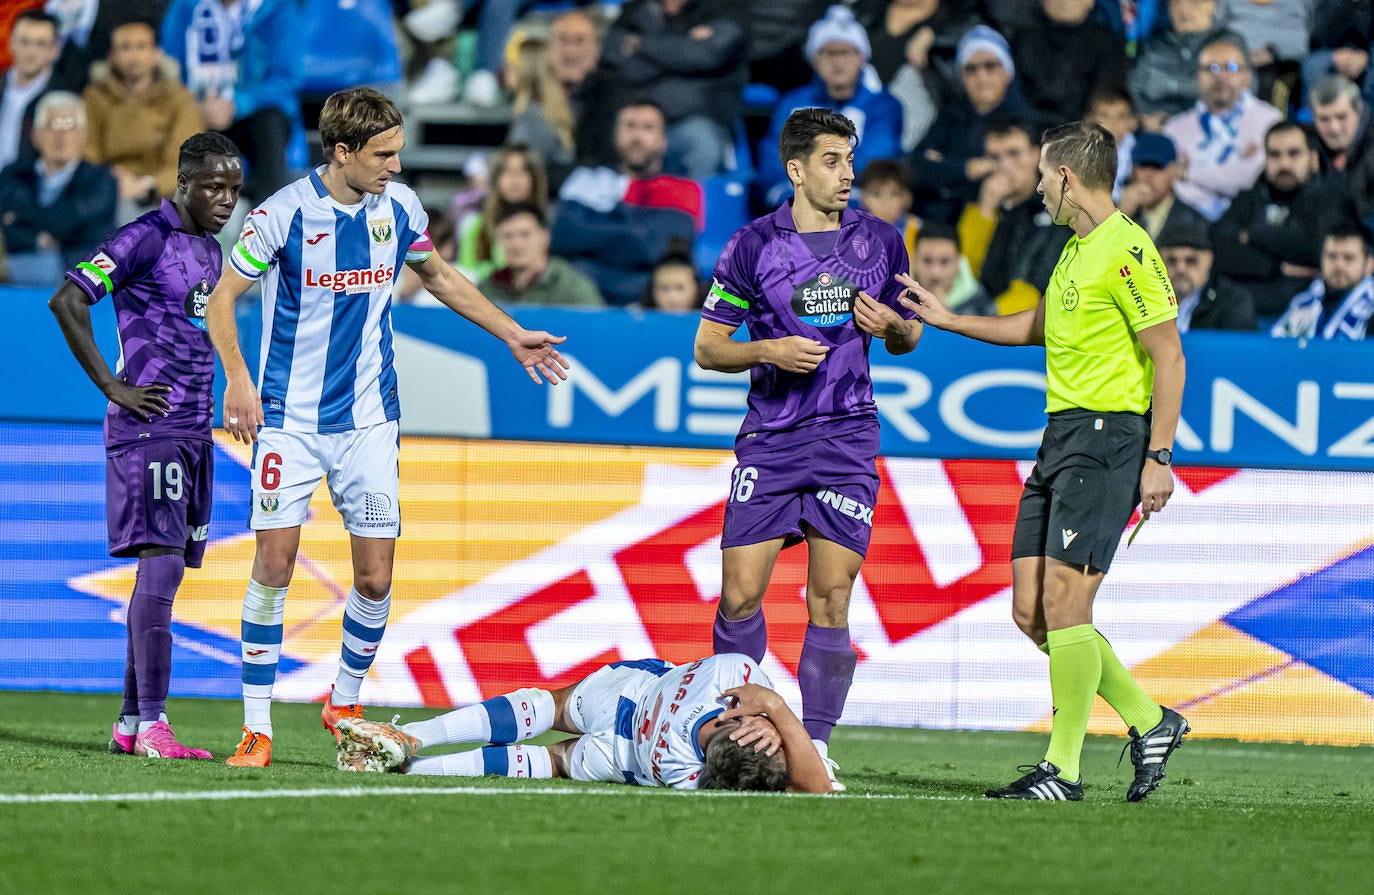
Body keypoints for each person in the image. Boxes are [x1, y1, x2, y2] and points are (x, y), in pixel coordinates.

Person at [204, 87, 570, 768]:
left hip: (370, 421)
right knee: (274, 563)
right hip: (288, 420)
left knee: (374, 578)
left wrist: (511, 333)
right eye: (384, 154)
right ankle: (256, 727)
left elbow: (440, 277)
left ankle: (343, 700)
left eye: (399, 152)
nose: (397, 167)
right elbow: (222, 301)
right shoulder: (282, 215)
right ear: (341, 151)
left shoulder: (398, 209)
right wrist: (238, 378)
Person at [900, 120, 1190, 802]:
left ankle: (1063, 768)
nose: (1034, 186)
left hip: (1110, 436)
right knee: (1033, 611)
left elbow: (1169, 355)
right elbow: (1037, 326)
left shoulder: (1127, 251)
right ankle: (1151, 720)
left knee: (1066, 601)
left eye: (1040, 174)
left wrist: (1160, 456)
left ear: (1066, 176)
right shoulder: (1074, 251)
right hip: (1061, 439)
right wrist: (951, 320)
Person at [695, 107, 923, 791]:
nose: (848, 173)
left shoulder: (882, 242)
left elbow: (913, 334)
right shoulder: (751, 245)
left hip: (847, 437)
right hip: (770, 441)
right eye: (832, 160)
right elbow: (709, 348)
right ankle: (737, 729)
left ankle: (814, 745)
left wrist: (892, 328)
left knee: (831, 595)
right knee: (740, 595)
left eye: (850, 160)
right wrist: (767, 350)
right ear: (795, 170)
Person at [46, 131, 243, 760]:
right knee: (158, 567)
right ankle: (157, 724)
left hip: (192, 429)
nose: (225, 199)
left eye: (234, 189)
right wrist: (113, 384)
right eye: (214, 185)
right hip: (150, 427)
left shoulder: (212, 251)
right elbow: (67, 298)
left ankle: (131, 725)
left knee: (163, 574)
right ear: (182, 182)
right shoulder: (144, 237)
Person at [332, 653, 833, 793]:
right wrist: (778, 719)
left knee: (545, 708)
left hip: (627, 691)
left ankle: (413, 736)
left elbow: (795, 764)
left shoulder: (736, 672)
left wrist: (774, 707)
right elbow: (813, 787)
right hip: (620, 758)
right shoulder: (691, 777)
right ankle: (411, 771)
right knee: (550, 761)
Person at [757, 5, 904, 209]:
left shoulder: (881, 105)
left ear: (862, 58)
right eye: (829, 53)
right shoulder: (793, 103)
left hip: (857, 205)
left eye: (847, 53)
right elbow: (773, 154)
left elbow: (877, 157)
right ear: (815, 60)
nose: (838, 62)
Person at [1210, 121, 1360, 317]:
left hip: (1311, 314)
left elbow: (1318, 249)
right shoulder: (1248, 199)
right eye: (1275, 155)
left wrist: (1254, 233)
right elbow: (1217, 250)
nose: (1284, 164)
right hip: (1243, 312)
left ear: (1313, 159)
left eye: (1293, 154)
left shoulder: (1333, 199)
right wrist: (1277, 266)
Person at [160, 0, 301, 204]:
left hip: (254, 115)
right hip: (195, 111)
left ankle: (268, 219)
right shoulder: (185, 6)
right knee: (173, 126)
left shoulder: (276, 7)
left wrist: (236, 103)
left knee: (270, 123)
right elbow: (168, 71)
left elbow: (286, 78)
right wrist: (192, 108)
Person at [82, 19, 203, 223]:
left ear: (157, 54)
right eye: (125, 47)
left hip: (163, 195)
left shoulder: (179, 100)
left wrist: (147, 185)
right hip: (107, 193)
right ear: (112, 56)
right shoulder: (94, 98)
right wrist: (110, 182)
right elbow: (87, 153)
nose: (134, 56)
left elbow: (187, 163)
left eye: (141, 47)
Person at [0, 90, 116, 286]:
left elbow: (67, 220)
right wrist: (40, 239)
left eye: (69, 125)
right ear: (36, 134)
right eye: (52, 125)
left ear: (83, 135)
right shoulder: (13, 175)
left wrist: (21, 218)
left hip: (78, 271)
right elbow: (5, 229)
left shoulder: (101, 181)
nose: (60, 135)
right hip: (21, 264)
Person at [1162, 35, 1284, 221]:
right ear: (1197, 76)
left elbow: (1249, 180)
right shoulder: (1174, 129)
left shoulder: (1270, 121)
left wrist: (1189, 172)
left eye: (1231, 68)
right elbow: (1173, 185)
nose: (1219, 76)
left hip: (1251, 218)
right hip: (1190, 223)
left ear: (1247, 77)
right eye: (1211, 68)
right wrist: (1236, 167)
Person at [958, 119, 1071, 315]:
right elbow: (962, 277)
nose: (1005, 165)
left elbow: (1036, 287)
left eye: (1014, 153)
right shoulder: (978, 208)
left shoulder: (1057, 211)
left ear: (1037, 155)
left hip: (1024, 325)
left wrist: (987, 320)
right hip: (977, 317)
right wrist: (985, 208)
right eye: (994, 157)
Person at [477, 203, 605, 307]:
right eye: (507, 236)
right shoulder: (486, 290)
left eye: (525, 234)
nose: (516, 244)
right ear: (498, 241)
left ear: (545, 237)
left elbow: (596, 329)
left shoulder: (573, 288)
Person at [1271, 222, 1374, 340]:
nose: (1339, 265)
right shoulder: (1303, 302)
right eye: (1332, 256)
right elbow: (1277, 347)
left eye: (1348, 258)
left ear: (1368, 264)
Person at [1156, 217, 1257, 332]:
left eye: (1190, 260)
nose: (1181, 269)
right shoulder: (1147, 301)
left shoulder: (1234, 302)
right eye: (1171, 260)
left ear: (1209, 260)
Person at [1116, 132, 1209, 244]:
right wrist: (1120, 217)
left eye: (1157, 166)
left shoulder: (1194, 222)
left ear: (1174, 170)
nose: (1149, 174)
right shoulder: (1118, 213)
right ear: (1132, 169)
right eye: (1143, 165)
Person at [0, 8, 62, 170]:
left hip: (30, 188)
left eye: (40, 44)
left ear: (55, 50)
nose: (31, 52)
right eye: (24, 42)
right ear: (11, 43)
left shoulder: (63, 98)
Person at [1309, 75, 1374, 225]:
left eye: (1341, 117)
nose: (1334, 128)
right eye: (1324, 119)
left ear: (1358, 110)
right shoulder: (1305, 147)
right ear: (1313, 117)